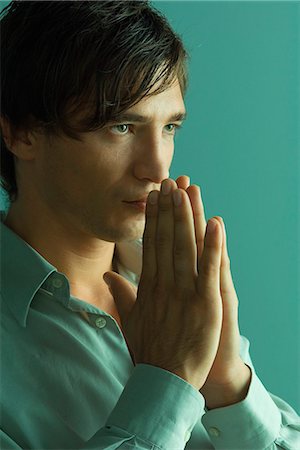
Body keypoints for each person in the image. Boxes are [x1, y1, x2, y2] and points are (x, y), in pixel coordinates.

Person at [0, 1, 299, 449]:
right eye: (121, 127)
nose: (156, 167)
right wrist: (169, 378)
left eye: (170, 127)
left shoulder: (175, 288)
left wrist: (226, 381)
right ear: (22, 133)